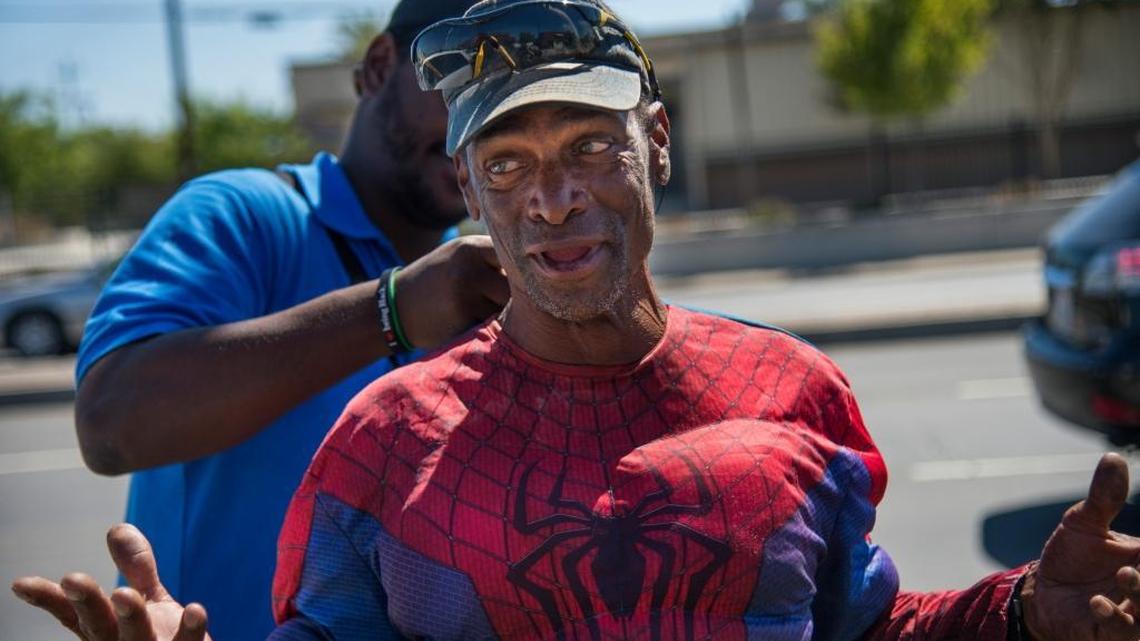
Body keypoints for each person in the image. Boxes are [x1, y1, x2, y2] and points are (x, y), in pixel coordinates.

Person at [13, 1, 1140, 639]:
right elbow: (115, 417)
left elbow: (864, 622)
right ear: (471, 190)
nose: (551, 194)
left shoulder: (788, 387)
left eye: (589, 146)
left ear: (658, 143)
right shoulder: (381, 441)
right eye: (508, 162)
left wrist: (1024, 612)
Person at [58, 1, 504, 640]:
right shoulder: (246, 214)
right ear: (380, 66)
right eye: (471, 78)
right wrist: (392, 309)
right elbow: (111, 424)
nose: (480, 125)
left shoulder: (498, 284)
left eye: (512, 102)